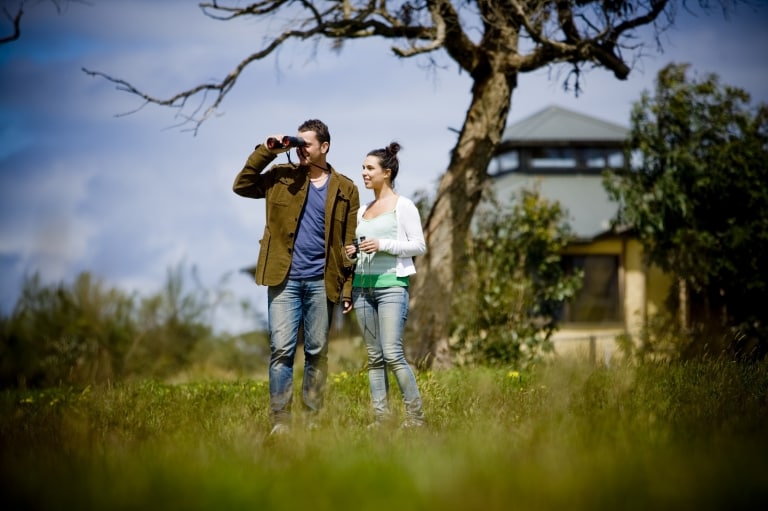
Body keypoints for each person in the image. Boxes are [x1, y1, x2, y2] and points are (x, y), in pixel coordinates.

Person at [233, 119, 359, 435]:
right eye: (297, 143)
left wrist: (347, 289)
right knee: (282, 350)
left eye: (306, 144)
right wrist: (268, 150)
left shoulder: (346, 189)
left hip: (322, 281)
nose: (300, 149)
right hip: (284, 279)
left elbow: (349, 245)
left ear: (324, 147)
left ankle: (314, 419)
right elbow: (242, 184)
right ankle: (281, 421)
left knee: (317, 351)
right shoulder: (280, 177)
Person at [345, 142, 426, 428]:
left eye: (370, 168)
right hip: (362, 288)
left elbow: (419, 245)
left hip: (392, 286)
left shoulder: (404, 206)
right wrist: (353, 251)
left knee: (392, 353)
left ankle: (415, 418)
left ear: (387, 173)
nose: (364, 173)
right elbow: (358, 244)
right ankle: (382, 420)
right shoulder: (362, 210)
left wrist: (382, 244)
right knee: (374, 356)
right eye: (363, 168)